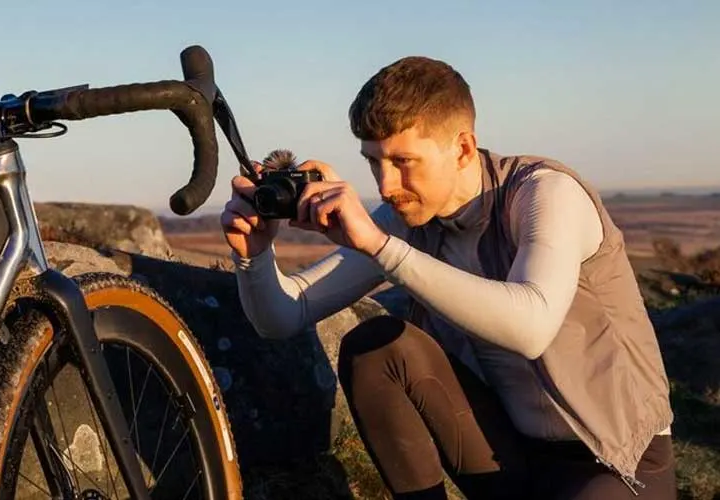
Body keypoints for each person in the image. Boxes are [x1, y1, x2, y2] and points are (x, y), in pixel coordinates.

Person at [220, 55, 677, 499]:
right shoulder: (410, 217)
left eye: (403, 162)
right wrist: (255, 256)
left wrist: (380, 246)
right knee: (378, 346)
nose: (385, 185)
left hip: (616, 463)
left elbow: (531, 327)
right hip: (510, 456)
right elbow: (283, 316)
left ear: (461, 148)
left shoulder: (545, 193)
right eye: (373, 161)